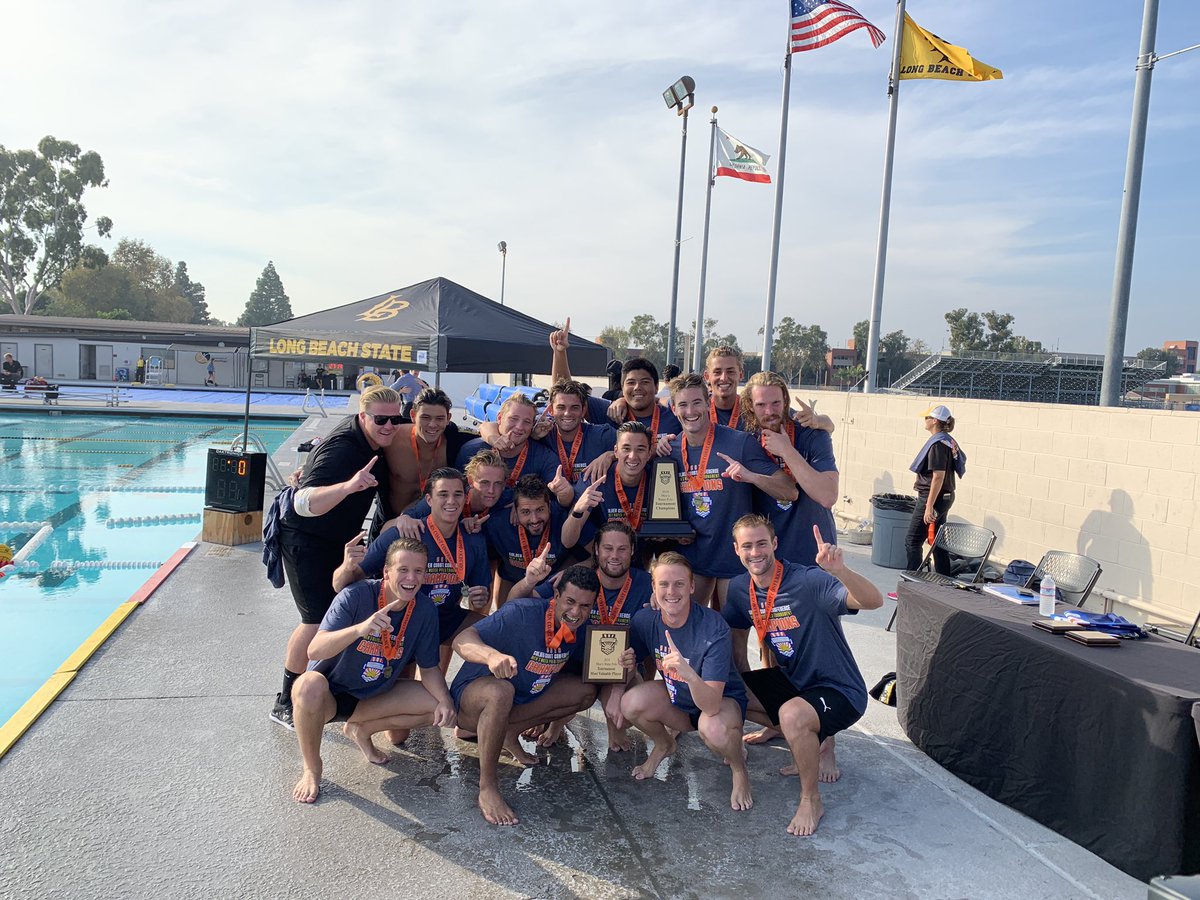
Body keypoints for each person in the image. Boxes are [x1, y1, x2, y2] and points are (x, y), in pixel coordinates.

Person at [724, 515, 883, 835]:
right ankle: (793, 733)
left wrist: (841, 571)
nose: (755, 552)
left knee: (794, 715)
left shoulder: (809, 582)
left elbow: (873, 601)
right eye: (747, 546)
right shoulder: (741, 587)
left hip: (839, 690)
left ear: (775, 544)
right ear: (736, 549)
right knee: (727, 693)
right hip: (793, 684)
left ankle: (812, 800)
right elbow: (729, 627)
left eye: (762, 544)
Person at [272, 384, 401, 729]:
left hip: (338, 540)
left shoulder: (375, 440)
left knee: (335, 615)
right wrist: (348, 486)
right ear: (363, 417)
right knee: (314, 620)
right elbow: (304, 501)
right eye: (381, 420)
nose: (389, 426)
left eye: (395, 419)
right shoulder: (345, 449)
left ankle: (321, 688)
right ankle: (285, 700)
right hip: (305, 538)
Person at [290, 539, 455, 803]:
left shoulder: (424, 610)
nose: (411, 578)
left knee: (439, 706)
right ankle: (312, 768)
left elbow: (429, 667)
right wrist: (360, 629)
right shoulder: (355, 595)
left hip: (373, 696)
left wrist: (446, 701)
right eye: (403, 570)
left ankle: (360, 730)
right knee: (307, 685)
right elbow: (315, 650)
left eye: (418, 571)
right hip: (330, 695)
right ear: (387, 572)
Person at [451, 566, 613, 825]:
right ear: (556, 595)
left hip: (521, 700)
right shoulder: (522, 613)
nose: (575, 612)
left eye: (585, 605)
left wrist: (622, 664)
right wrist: (491, 655)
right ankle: (488, 787)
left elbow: (600, 673)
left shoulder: (585, 629)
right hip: (472, 700)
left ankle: (507, 732)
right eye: (570, 602)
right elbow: (462, 638)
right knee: (501, 690)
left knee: (583, 692)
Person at [616, 552, 752, 812]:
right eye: (663, 584)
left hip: (719, 703)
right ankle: (664, 744)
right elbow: (626, 665)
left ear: (691, 586)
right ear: (653, 589)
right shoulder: (645, 620)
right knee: (631, 702)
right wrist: (627, 664)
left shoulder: (713, 627)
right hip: (678, 700)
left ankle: (739, 769)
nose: (671, 592)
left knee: (712, 728)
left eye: (679, 584)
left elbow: (711, 705)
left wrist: (688, 672)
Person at [513, 520, 653, 751]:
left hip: (620, 669)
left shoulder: (648, 585)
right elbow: (516, 602)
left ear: (633, 551)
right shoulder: (577, 579)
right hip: (574, 666)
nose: (614, 555)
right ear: (596, 550)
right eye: (608, 548)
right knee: (565, 690)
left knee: (627, 713)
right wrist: (528, 580)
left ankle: (614, 725)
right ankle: (556, 723)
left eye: (622, 549)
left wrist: (661, 602)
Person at [334, 468, 490, 672]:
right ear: (429, 500)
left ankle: (467, 690)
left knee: (494, 634)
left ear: (465, 497)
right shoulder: (403, 534)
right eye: (443, 494)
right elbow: (340, 585)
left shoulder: (473, 538)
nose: (451, 501)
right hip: (402, 622)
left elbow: (481, 594)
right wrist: (347, 566)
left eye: (457, 494)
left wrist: (480, 596)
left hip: (445, 618)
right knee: (399, 683)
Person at [665, 373, 797, 609]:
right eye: (683, 404)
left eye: (697, 402)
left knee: (734, 639)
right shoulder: (668, 450)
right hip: (692, 558)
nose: (690, 411)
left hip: (734, 560)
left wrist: (751, 476)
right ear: (673, 408)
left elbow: (789, 490)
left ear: (708, 403)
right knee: (688, 633)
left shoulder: (739, 443)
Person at [741, 371, 839, 568]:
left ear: (785, 400)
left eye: (775, 403)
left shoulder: (811, 431)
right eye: (761, 404)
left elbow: (828, 496)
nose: (769, 411)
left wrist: (786, 450)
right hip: (765, 559)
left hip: (815, 555)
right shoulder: (744, 438)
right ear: (750, 405)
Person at [561, 422, 653, 564]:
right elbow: (567, 541)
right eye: (626, 449)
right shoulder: (596, 477)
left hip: (645, 558)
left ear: (649, 453)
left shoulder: (658, 478)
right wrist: (578, 509)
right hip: (606, 559)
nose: (633, 456)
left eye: (640, 449)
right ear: (616, 451)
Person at [456, 393, 567, 509]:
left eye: (527, 422)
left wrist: (526, 505)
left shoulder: (545, 457)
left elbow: (556, 502)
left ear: (533, 426)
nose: (519, 427)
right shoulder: (470, 450)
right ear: (499, 418)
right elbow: (456, 493)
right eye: (513, 419)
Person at [484, 474, 580, 605]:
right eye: (525, 512)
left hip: (553, 591)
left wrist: (570, 571)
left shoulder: (564, 520)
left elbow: (592, 557)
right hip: (513, 586)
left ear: (550, 506)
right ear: (515, 511)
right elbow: (490, 561)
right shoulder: (497, 524)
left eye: (540, 510)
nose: (534, 519)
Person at [382, 387, 472, 516]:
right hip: (391, 520)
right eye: (425, 417)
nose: (432, 424)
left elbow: (488, 429)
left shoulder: (454, 440)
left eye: (440, 418)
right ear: (413, 415)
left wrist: (492, 436)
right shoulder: (391, 438)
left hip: (433, 523)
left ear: (448, 418)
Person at [905, 404, 966, 572]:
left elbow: (938, 477)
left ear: (934, 421)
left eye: (927, 418)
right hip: (945, 496)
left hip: (934, 498)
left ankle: (912, 585)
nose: (924, 420)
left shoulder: (938, 444)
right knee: (938, 541)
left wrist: (929, 506)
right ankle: (943, 581)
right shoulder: (947, 441)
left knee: (913, 541)